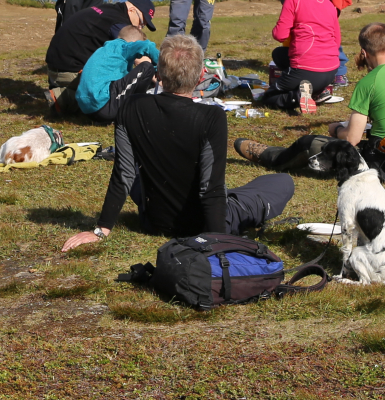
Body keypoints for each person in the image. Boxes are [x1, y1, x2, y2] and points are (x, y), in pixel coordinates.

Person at [60, 35, 295, 252]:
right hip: (200, 224)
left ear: (158, 74)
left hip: (153, 220)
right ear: (201, 75)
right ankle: (229, 218)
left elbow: (124, 172)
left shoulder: (132, 106)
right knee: (282, 181)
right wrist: (216, 244)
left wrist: (102, 229)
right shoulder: (211, 117)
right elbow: (210, 188)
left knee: (147, 172)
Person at [236, 22, 385, 173]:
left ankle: (270, 156)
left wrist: (337, 129)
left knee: (309, 143)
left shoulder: (370, 81)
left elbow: (352, 138)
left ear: (364, 53)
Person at [45, 0, 158, 111]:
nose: (140, 27)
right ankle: (65, 97)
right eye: (141, 23)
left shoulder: (107, 10)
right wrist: (157, 79)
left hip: (56, 68)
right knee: (119, 90)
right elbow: (140, 59)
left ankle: (64, 92)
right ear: (131, 10)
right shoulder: (119, 24)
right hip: (71, 71)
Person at [260, 0, 342, 113]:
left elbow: (280, 35)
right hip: (330, 70)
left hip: (305, 66)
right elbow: (336, 41)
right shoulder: (330, 5)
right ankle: (318, 90)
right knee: (279, 54)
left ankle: (298, 95)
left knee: (268, 97)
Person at [74, 25, 161, 120]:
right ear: (134, 43)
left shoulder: (104, 50)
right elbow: (148, 46)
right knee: (147, 67)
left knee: (138, 74)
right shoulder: (124, 47)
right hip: (103, 105)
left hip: (87, 109)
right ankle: (138, 108)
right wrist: (161, 68)